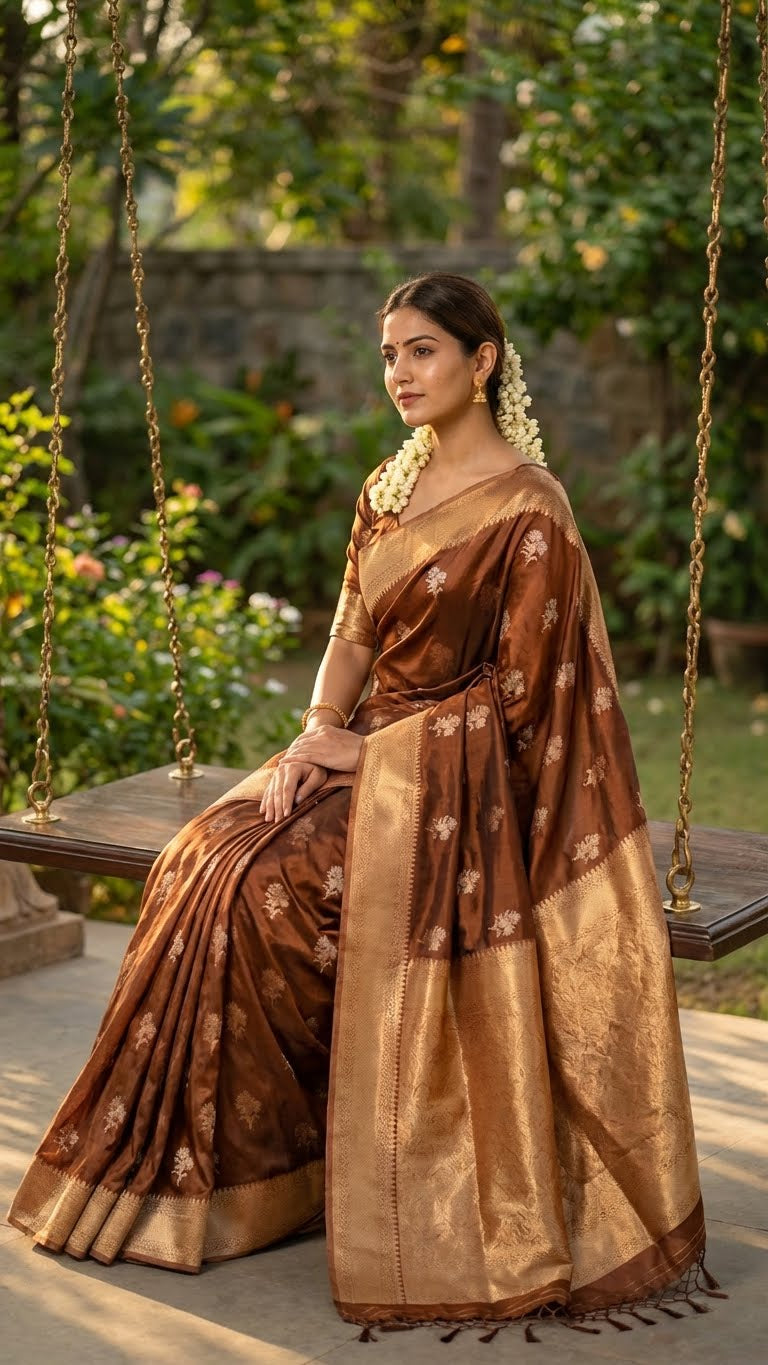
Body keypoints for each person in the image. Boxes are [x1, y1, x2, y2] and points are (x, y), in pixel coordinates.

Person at [8, 272, 720, 1339]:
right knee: (200, 861)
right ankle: (237, 1177)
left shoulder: (532, 508)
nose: (400, 374)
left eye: (423, 350)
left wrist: (368, 753)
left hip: (451, 793)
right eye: (390, 354)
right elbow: (346, 636)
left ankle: (317, 1164)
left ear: (483, 363)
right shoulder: (386, 488)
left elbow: (526, 701)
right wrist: (312, 737)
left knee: (265, 892)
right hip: (358, 757)